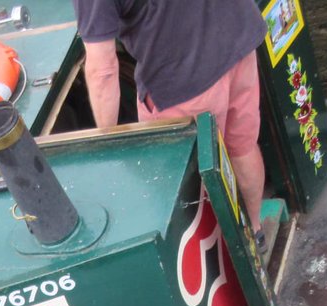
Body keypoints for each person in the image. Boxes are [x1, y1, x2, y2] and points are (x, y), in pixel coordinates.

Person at [73, 0, 268, 233]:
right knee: (242, 148)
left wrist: (107, 143)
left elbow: (102, 70)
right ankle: (254, 233)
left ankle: (221, 260)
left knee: (188, 185)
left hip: (183, 79)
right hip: (238, 34)